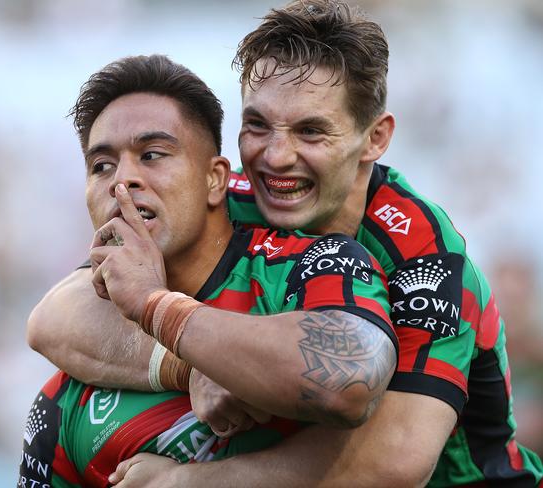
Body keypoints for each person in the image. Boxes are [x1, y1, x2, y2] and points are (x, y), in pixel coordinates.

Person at [28, 1, 543, 486]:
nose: (275, 157)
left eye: (311, 132)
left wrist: (191, 481)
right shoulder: (224, 196)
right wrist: (192, 364)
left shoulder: (424, 254)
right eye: (257, 125)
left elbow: (395, 461)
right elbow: (54, 318)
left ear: (375, 138)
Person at [18, 54, 397, 487]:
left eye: (153, 154)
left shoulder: (315, 266)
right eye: (101, 166)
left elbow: (350, 383)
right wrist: (189, 364)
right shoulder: (69, 397)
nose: (121, 182)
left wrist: (155, 306)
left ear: (216, 180)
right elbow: (44, 321)